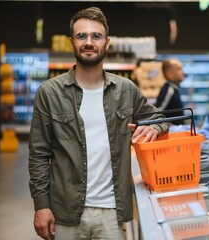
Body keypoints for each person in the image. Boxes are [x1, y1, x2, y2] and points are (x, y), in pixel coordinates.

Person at [28, 7, 168, 240]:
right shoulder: (49, 92)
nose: (89, 42)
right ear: (71, 42)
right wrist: (41, 206)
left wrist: (153, 127)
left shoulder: (126, 90)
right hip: (65, 211)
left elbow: (160, 118)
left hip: (112, 212)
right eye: (81, 36)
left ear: (107, 42)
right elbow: (39, 155)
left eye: (96, 36)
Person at [154, 58, 185, 125]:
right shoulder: (169, 90)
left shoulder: (174, 89)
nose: (183, 72)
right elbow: (157, 115)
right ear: (169, 74)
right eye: (179, 69)